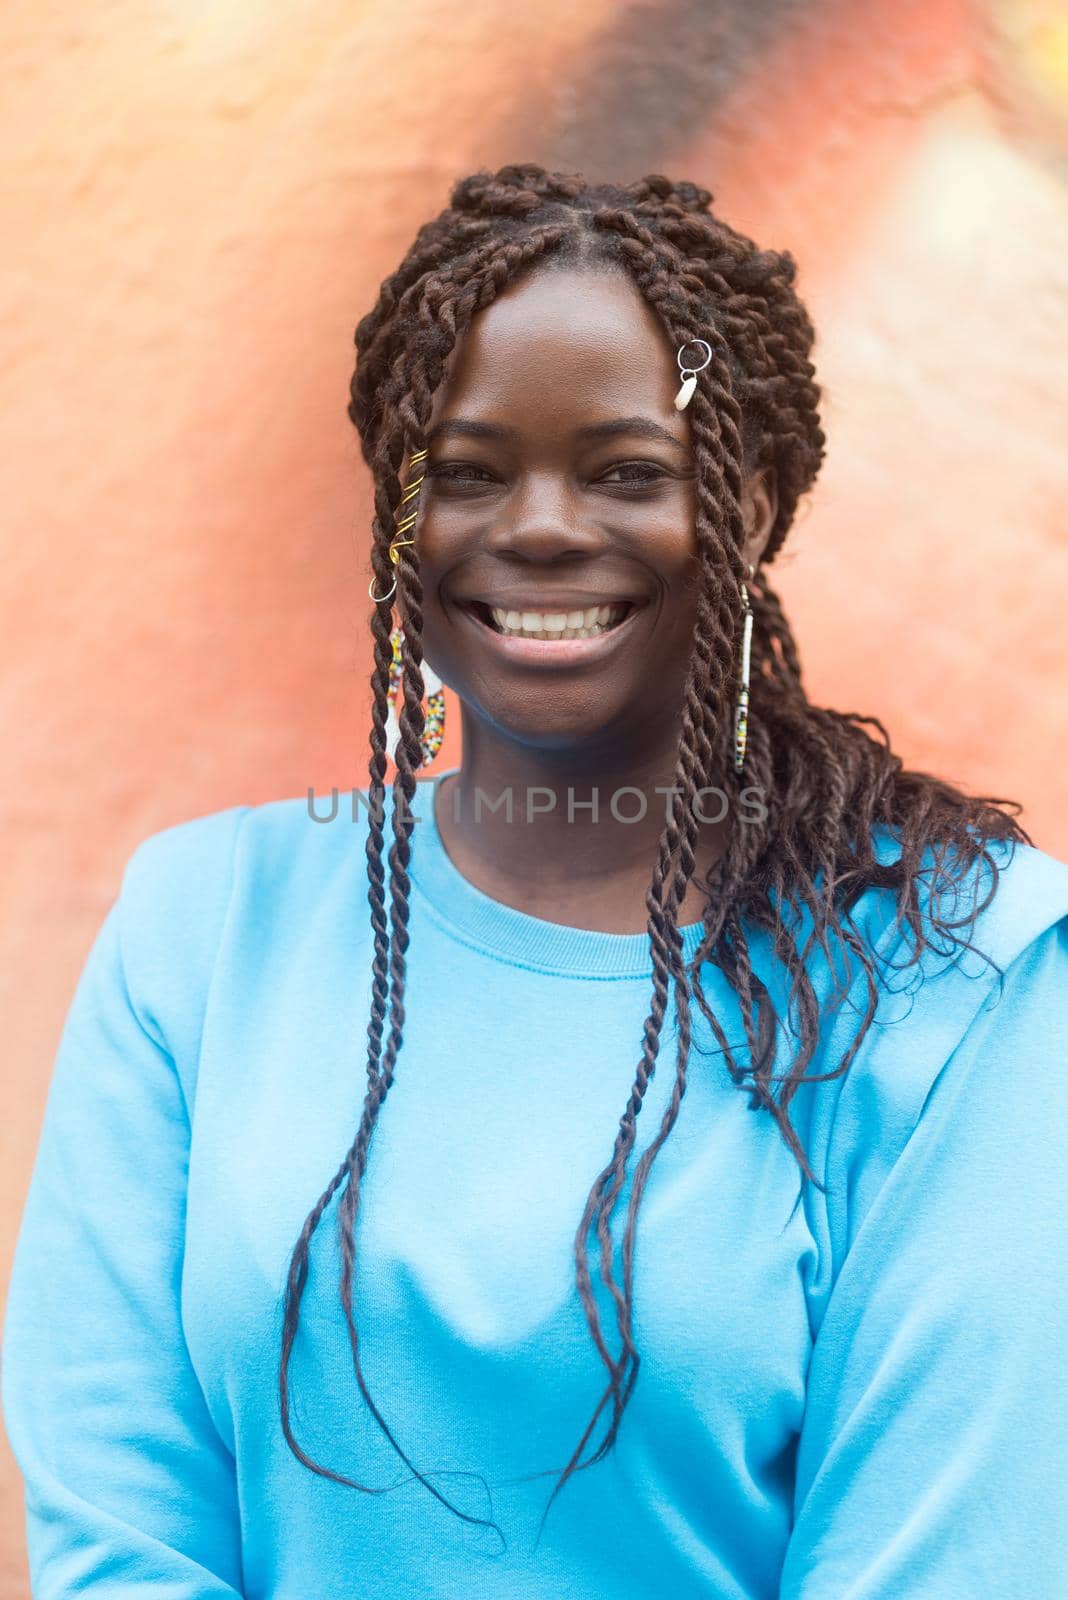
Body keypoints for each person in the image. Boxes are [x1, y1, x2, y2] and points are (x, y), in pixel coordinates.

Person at [4, 162, 1067, 1600]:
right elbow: (121, 1538)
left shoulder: (962, 970)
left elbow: (949, 1561)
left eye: (629, 468)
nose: (544, 525)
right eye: (468, 471)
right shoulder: (199, 938)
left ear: (755, 502)